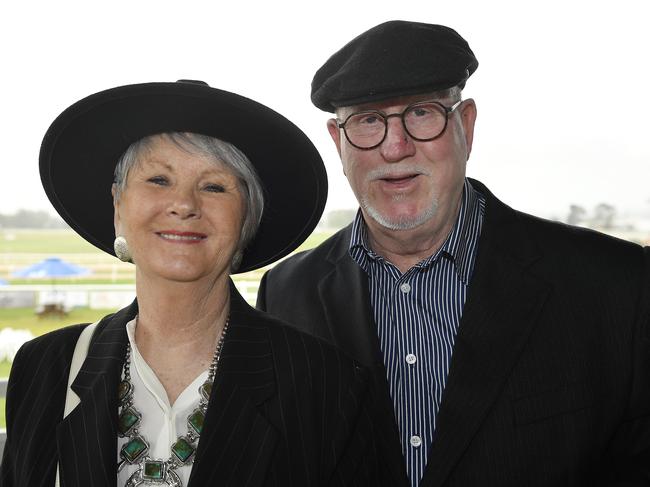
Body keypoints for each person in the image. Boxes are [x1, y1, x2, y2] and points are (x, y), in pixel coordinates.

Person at [257, 20, 650, 487]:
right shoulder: (285, 294)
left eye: (421, 113)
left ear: (465, 125)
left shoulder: (618, 286)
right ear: (338, 142)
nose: (395, 146)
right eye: (367, 120)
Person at [0, 80, 381, 487]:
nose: (184, 204)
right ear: (117, 206)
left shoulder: (328, 387)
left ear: (246, 220)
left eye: (214, 186)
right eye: (158, 180)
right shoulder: (44, 367)